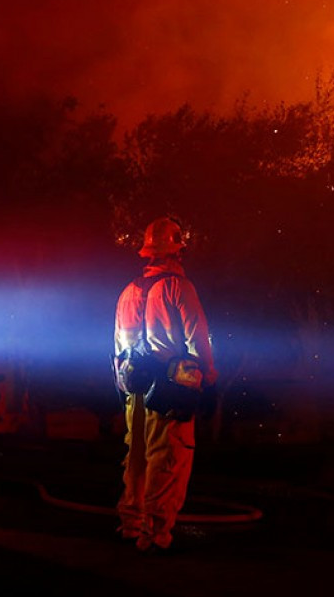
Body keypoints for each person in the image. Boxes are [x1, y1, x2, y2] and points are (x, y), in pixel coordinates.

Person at [113, 216, 218, 554]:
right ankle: (154, 535)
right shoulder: (178, 288)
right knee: (167, 458)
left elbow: (118, 346)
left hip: (134, 388)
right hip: (171, 387)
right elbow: (197, 339)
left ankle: (130, 523)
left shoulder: (128, 292)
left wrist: (125, 388)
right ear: (176, 252)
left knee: (137, 458)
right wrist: (208, 377)